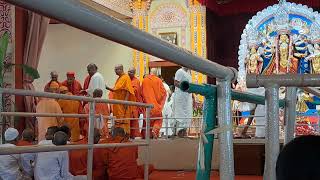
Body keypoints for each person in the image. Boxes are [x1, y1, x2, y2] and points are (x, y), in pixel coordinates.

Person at [106, 64, 135, 135]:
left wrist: (125, 102)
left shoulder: (126, 77)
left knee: (123, 119)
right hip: (118, 103)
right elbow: (117, 90)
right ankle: (119, 136)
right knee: (118, 119)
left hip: (122, 104)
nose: (115, 71)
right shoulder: (120, 78)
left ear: (121, 69)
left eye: (116, 69)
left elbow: (128, 90)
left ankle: (125, 135)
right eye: (115, 69)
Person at [141, 68, 167, 138]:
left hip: (147, 106)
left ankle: (147, 135)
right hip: (156, 106)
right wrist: (159, 101)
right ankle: (155, 130)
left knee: (147, 121)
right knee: (158, 119)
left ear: (150, 73)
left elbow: (141, 93)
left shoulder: (144, 80)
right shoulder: (159, 80)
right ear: (156, 74)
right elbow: (163, 93)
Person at [173, 67, 193, 135]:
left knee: (188, 114)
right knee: (181, 114)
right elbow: (175, 83)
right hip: (181, 96)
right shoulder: (180, 71)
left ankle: (184, 132)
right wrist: (185, 87)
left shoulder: (189, 72)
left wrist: (193, 97)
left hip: (188, 97)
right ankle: (179, 132)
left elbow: (190, 85)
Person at [128, 67, 143, 138]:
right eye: (128, 71)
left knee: (133, 121)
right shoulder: (126, 79)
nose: (129, 73)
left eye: (131, 72)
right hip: (126, 104)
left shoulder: (136, 81)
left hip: (134, 104)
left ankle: (133, 136)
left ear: (134, 73)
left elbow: (136, 92)